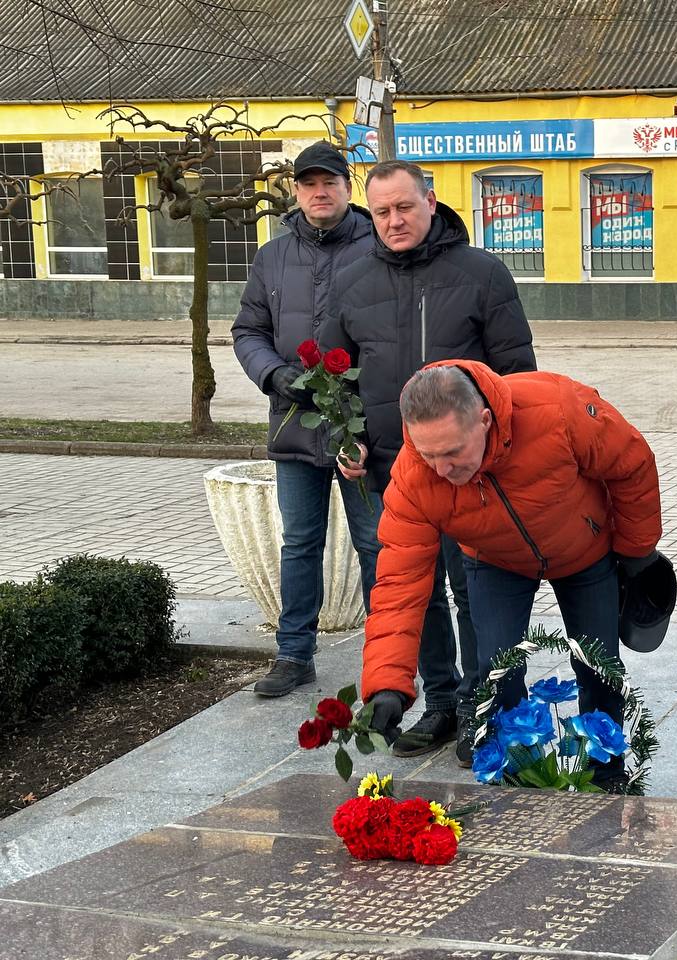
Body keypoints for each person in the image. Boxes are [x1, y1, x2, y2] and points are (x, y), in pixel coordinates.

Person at [360, 360, 662, 791]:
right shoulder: (414, 477)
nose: (441, 469)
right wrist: (387, 684)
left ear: (484, 421)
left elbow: (631, 463)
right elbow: (398, 583)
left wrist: (636, 551)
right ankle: (518, 775)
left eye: (452, 452)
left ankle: (606, 773)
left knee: (599, 666)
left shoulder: (557, 409)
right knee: (497, 672)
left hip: (584, 551)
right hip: (495, 560)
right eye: (428, 454)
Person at [323, 159, 536, 764]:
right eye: (382, 211)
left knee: (474, 589)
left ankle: (480, 705)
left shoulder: (482, 274)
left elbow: (517, 375)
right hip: (389, 474)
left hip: (467, 472)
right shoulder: (354, 282)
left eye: (404, 208)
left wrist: (493, 450)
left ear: (431, 201)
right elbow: (333, 375)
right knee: (411, 591)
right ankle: (440, 701)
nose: (393, 221)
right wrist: (349, 436)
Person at [231, 140, 379, 697]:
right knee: (299, 543)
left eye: (330, 182)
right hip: (293, 422)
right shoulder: (272, 255)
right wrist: (274, 374)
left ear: (348, 187)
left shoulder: (377, 245)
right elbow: (248, 331)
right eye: (308, 183)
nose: (320, 192)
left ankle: (385, 658)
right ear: (295, 190)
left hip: (360, 428)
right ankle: (294, 654)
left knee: (376, 543)